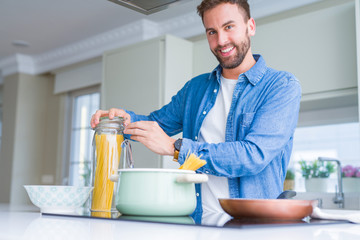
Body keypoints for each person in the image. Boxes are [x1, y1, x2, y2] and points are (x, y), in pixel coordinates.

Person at [91, 0, 301, 217]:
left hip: (254, 227)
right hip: (197, 222)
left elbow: (253, 155)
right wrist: (122, 121)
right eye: (212, 31)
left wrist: (177, 147)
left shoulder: (281, 86)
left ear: (251, 26)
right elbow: (157, 124)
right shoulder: (195, 89)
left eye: (229, 27)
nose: (221, 40)